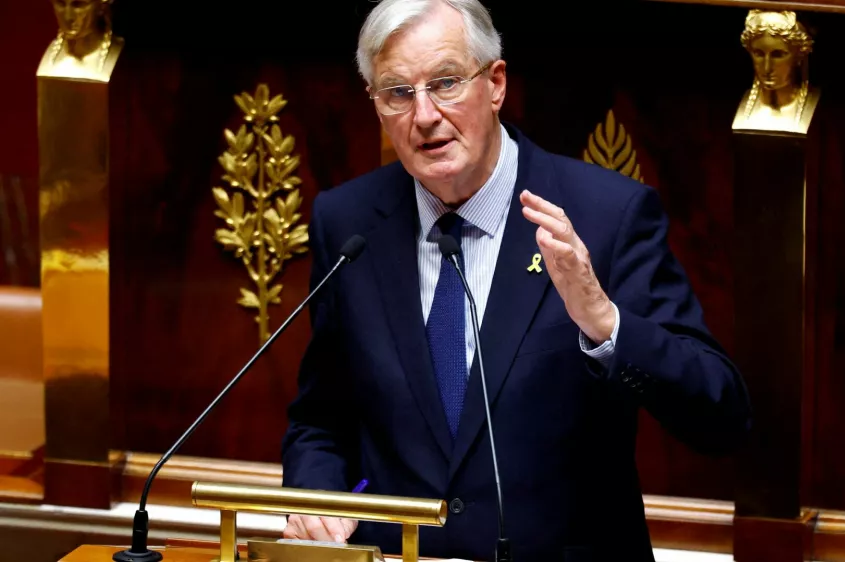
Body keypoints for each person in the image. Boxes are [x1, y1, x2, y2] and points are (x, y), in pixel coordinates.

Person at [281, 0, 751, 560]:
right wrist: (314, 497)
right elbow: (322, 419)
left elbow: (721, 415)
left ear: (496, 83)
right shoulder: (349, 223)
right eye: (398, 93)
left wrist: (606, 325)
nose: (424, 115)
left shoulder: (607, 217)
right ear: (376, 105)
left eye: (447, 82)